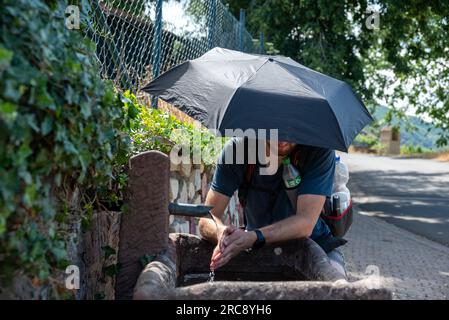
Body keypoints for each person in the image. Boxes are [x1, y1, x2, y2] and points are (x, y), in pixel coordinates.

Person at [199, 137, 347, 277]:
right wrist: (221, 234)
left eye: (292, 130)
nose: (283, 139)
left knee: (338, 290)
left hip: (316, 247)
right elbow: (207, 218)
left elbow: (306, 222)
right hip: (257, 250)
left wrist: (254, 237)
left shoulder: (319, 151)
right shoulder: (238, 150)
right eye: (275, 130)